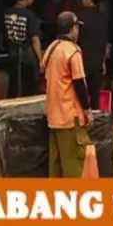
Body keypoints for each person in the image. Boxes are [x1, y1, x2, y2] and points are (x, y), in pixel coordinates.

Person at [41, 11, 92, 177]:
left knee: (56, 165)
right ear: (73, 29)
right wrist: (88, 109)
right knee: (75, 164)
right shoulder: (72, 52)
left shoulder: (51, 48)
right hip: (70, 117)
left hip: (53, 116)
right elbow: (79, 84)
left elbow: (43, 71)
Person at [3, 0, 43, 98]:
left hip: (12, 54)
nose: (33, 0)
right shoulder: (29, 15)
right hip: (27, 55)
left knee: (14, 84)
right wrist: (40, 59)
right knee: (30, 86)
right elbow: (35, 39)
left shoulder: (7, 12)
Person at [76, 0, 110, 100]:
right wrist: (104, 61)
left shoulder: (80, 16)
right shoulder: (103, 17)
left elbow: (75, 39)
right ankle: (94, 114)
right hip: (98, 60)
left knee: (80, 93)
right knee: (95, 93)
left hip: (82, 59)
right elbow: (105, 40)